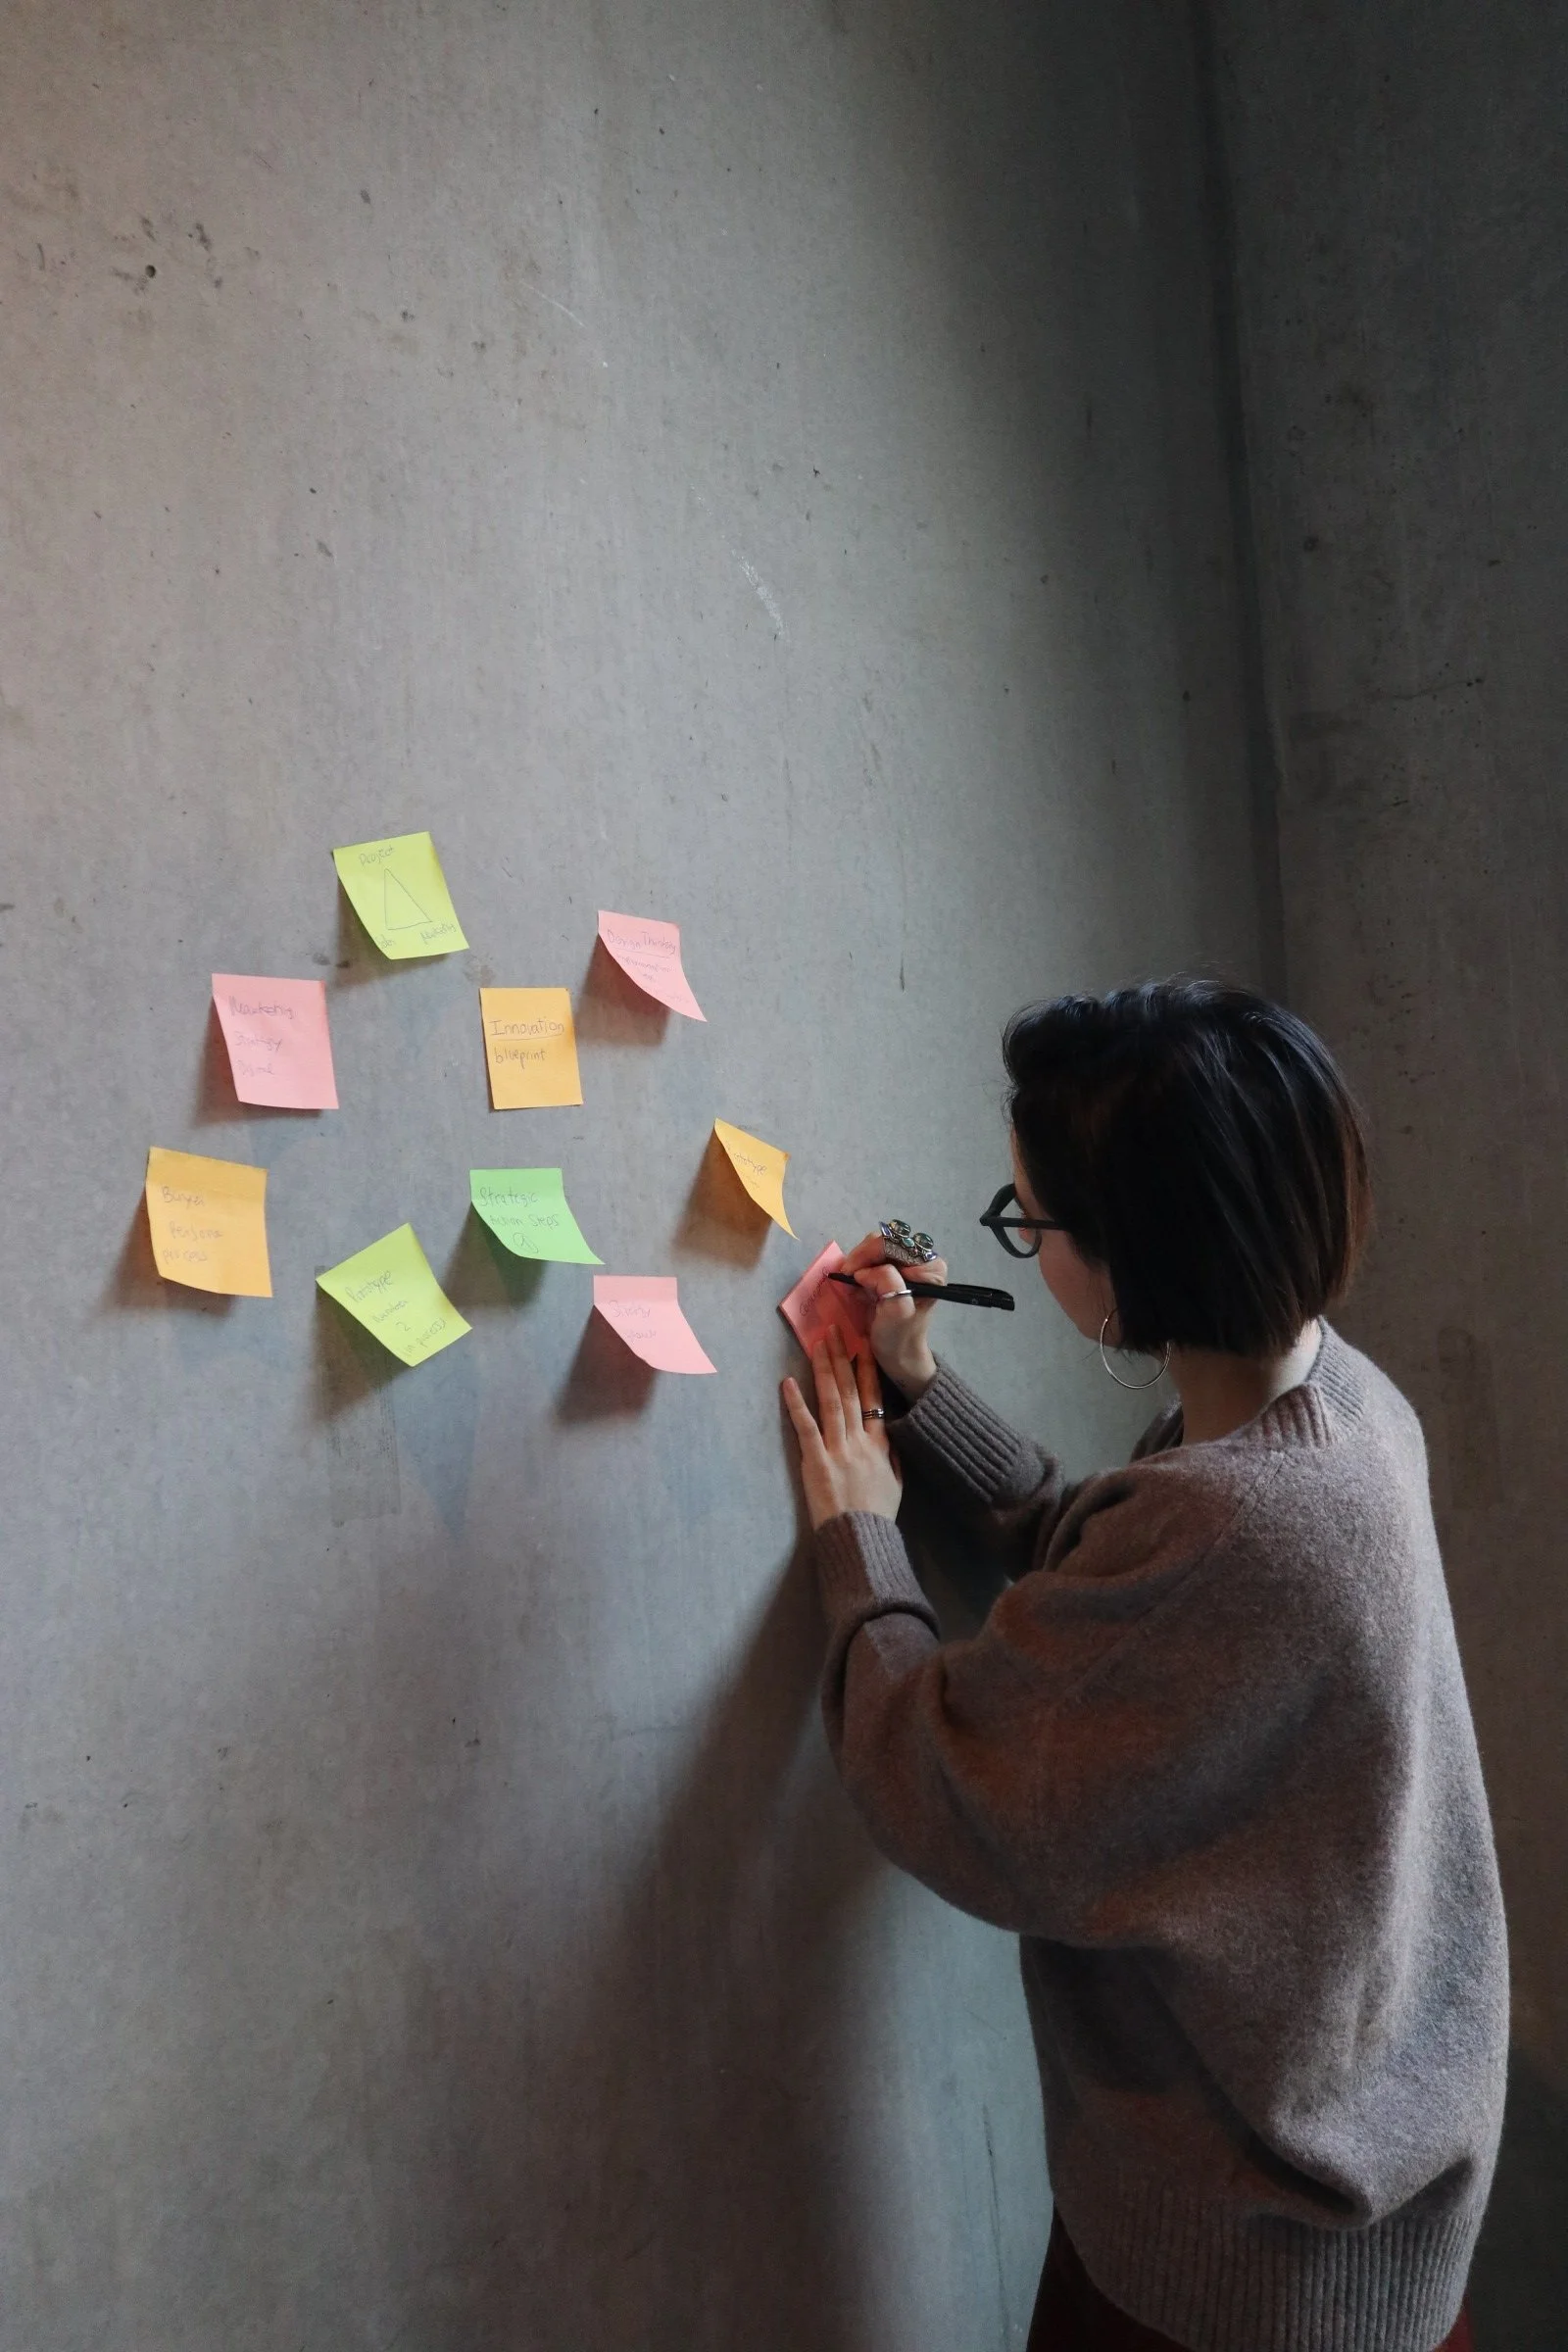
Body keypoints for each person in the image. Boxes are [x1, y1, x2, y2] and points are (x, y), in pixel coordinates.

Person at [780, 981, 1506, 2352]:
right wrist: (923, 1396)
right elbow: (1131, 1579)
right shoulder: (1343, 1405)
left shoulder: (1238, 1530)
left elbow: (935, 1776)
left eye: (1029, 1224)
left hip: (1237, 2276)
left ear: (1134, 1258)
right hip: (1368, 2220)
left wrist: (858, 1537)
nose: (1020, 1243)